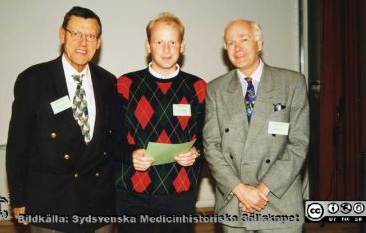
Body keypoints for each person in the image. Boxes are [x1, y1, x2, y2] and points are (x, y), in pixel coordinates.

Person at [6, 6, 116, 233]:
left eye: (90, 36)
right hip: (50, 204)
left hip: (98, 205)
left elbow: (111, 144)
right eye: (76, 34)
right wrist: (19, 198)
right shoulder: (33, 80)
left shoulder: (109, 83)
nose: (83, 43)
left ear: (99, 42)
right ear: (62, 34)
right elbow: (17, 145)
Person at [203, 19, 309, 232]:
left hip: (279, 200)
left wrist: (261, 189)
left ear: (259, 44)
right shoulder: (216, 89)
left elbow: (298, 143)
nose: (238, 48)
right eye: (231, 43)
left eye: (244, 39)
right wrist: (240, 190)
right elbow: (211, 146)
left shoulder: (292, 83)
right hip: (234, 201)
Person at [109, 12, 206, 233]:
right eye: (159, 42)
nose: (166, 49)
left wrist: (196, 153)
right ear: (148, 46)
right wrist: (130, 155)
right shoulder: (126, 84)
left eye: (173, 42)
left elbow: (205, 138)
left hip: (180, 195)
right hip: (132, 194)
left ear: (182, 46)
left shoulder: (198, 87)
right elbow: (111, 138)